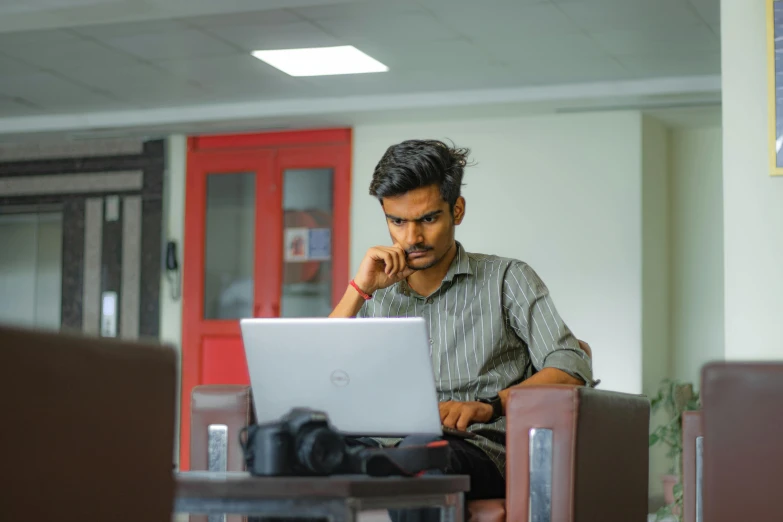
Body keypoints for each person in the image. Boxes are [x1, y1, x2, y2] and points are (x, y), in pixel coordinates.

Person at [329, 139, 596, 522]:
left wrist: (490, 405)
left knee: (419, 457)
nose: (411, 239)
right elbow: (322, 372)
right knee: (296, 457)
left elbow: (571, 365)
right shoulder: (376, 293)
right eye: (397, 222)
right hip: (385, 444)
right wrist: (358, 290)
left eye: (428, 219)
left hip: (475, 448)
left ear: (457, 210)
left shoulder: (507, 278)